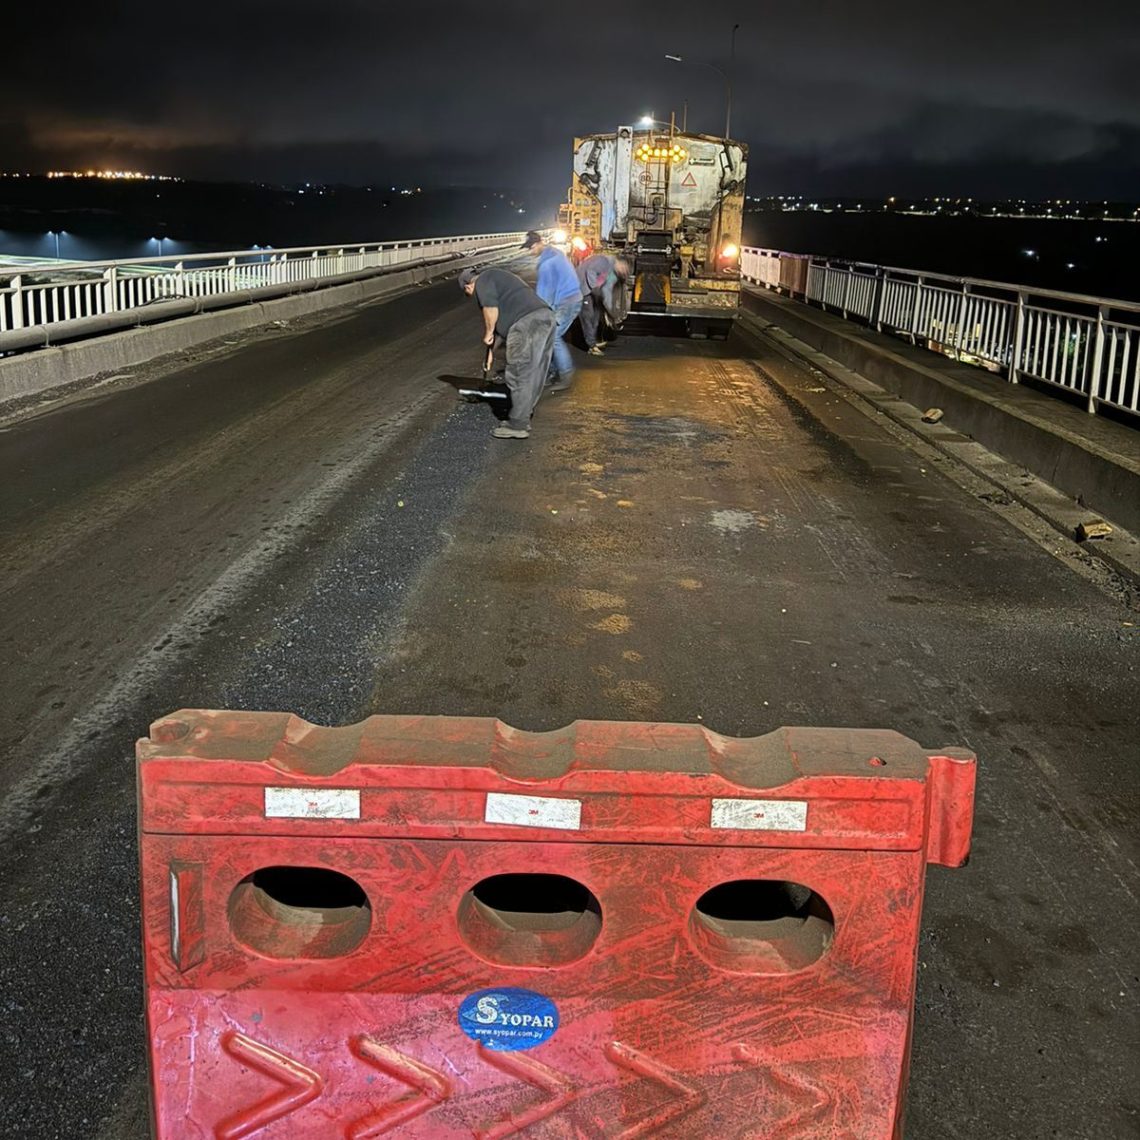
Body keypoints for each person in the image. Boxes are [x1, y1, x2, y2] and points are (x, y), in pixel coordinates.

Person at [458, 266, 556, 439]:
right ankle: (524, 414)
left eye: (469, 293)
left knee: (519, 372)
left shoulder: (483, 281)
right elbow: (500, 327)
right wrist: (490, 352)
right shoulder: (498, 277)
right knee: (535, 371)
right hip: (545, 318)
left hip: (526, 324)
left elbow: (490, 310)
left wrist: (487, 333)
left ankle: (518, 424)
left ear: (468, 286)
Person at [522, 231, 582, 392]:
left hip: (567, 302)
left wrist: (536, 318)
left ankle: (566, 375)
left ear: (538, 243)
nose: (530, 251)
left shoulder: (547, 264)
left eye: (531, 248)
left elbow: (544, 298)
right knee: (551, 337)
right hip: (571, 298)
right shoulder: (554, 252)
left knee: (553, 336)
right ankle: (553, 372)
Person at [577, 254, 629, 356]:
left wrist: (611, 311)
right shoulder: (603, 261)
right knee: (588, 316)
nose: (623, 271)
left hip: (592, 291)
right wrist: (594, 287)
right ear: (618, 262)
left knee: (596, 316)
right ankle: (591, 346)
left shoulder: (612, 272)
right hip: (583, 288)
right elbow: (590, 271)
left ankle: (593, 341)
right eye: (623, 268)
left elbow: (607, 291)